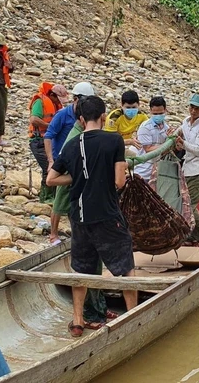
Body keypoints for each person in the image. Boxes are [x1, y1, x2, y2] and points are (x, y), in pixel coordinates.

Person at [46, 96, 137, 338]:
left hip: (79, 215)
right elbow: (119, 181)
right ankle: (134, 315)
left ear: (81, 119)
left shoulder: (72, 145)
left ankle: (77, 321)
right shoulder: (114, 140)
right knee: (125, 264)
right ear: (104, 116)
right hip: (106, 213)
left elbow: (51, 179)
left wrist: (77, 178)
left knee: (82, 269)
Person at [44, 81, 95, 245]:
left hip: (79, 161)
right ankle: (53, 234)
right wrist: (51, 161)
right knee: (60, 199)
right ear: (75, 99)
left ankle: (77, 233)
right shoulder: (63, 115)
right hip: (62, 161)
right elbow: (48, 135)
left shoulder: (88, 115)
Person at [177, 93, 199, 243]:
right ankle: (198, 231)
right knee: (189, 203)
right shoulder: (186, 122)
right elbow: (179, 131)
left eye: (197, 108)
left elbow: (198, 149)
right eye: (191, 107)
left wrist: (182, 143)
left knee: (189, 204)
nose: (193, 111)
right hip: (187, 168)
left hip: (198, 170)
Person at [28, 82, 69, 204]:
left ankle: (51, 196)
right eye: (57, 99)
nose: (59, 102)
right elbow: (34, 119)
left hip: (50, 140)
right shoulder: (40, 102)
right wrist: (50, 126)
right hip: (38, 140)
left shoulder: (56, 106)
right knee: (49, 168)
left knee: (53, 167)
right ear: (52, 94)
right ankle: (46, 197)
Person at [133, 96, 173, 180]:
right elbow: (148, 149)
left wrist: (170, 140)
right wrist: (167, 143)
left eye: (160, 113)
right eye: (155, 114)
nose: (158, 116)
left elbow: (165, 151)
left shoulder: (166, 127)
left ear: (165, 110)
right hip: (143, 171)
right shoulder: (145, 127)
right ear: (150, 111)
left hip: (157, 171)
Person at [105, 90, 148, 156]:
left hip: (128, 144)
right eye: (128, 107)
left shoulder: (141, 116)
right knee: (136, 158)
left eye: (134, 107)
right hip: (112, 146)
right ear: (121, 105)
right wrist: (130, 141)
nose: (131, 110)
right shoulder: (114, 118)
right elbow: (111, 141)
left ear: (139, 105)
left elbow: (149, 128)